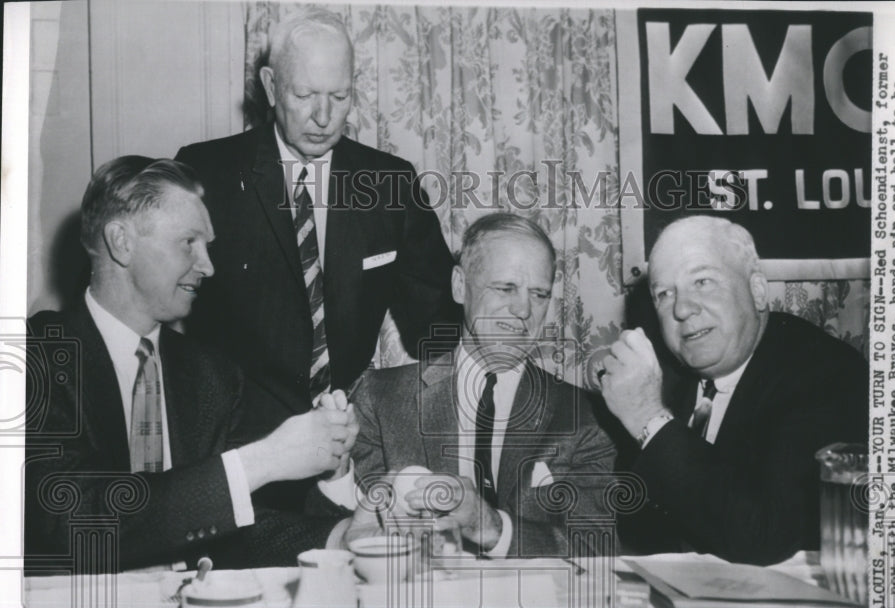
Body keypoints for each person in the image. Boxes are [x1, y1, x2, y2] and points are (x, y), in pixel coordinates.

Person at [24, 156, 357, 572]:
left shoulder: (212, 375)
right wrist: (265, 459)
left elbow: (234, 526)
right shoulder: (32, 355)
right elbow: (69, 518)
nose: (208, 266)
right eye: (188, 243)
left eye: (208, 247)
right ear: (121, 241)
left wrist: (341, 536)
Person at [174, 8, 458, 440]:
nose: (324, 117)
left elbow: (437, 322)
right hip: (232, 438)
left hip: (348, 435)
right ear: (271, 87)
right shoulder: (206, 172)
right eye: (305, 95)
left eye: (339, 97)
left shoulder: (390, 182)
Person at [325, 213, 620, 558]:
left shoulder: (583, 415)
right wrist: (337, 474)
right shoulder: (379, 397)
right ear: (460, 286)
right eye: (505, 288)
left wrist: (490, 526)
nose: (523, 309)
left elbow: (598, 550)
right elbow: (341, 538)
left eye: (539, 294)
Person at [599, 216, 868, 565]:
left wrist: (649, 418)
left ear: (757, 290)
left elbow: (765, 538)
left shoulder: (826, 374)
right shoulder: (662, 376)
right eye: (664, 294)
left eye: (703, 281)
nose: (681, 309)